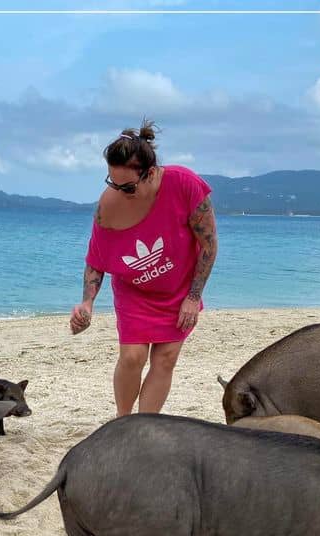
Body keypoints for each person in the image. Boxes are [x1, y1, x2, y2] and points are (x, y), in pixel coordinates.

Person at [70, 120, 218, 417]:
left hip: (179, 289)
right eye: (112, 183)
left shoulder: (184, 184)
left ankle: (145, 425)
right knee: (132, 357)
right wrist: (87, 302)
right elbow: (96, 260)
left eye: (127, 187)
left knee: (165, 358)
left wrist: (193, 297)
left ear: (150, 174)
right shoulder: (108, 207)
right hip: (134, 291)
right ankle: (123, 421)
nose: (119, 191)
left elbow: (208, 245)